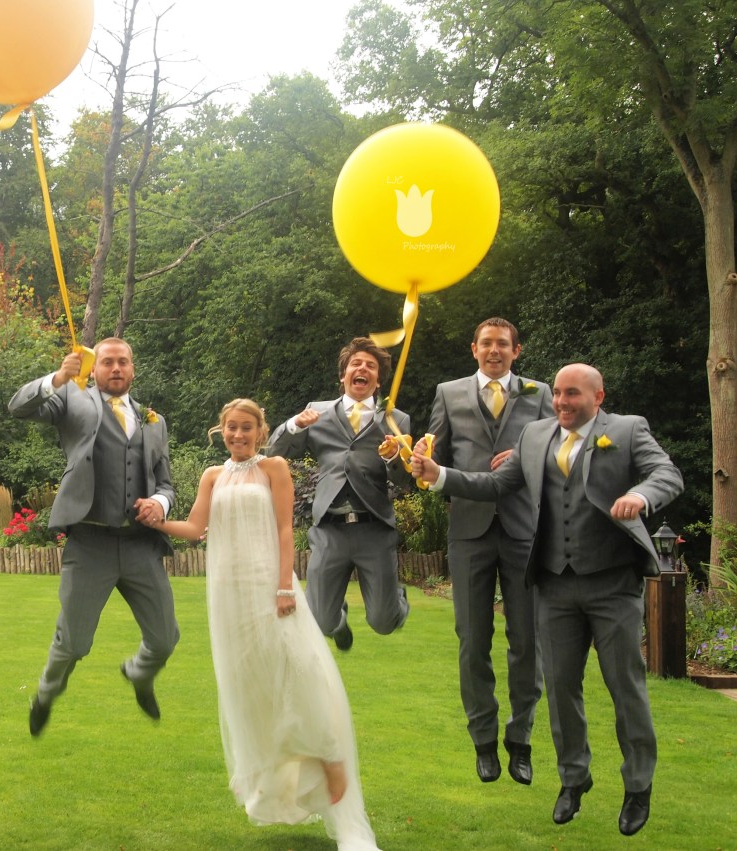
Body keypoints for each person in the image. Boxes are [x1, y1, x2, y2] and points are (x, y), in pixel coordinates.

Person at [412, 364, 683, 836]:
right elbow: (496, 485)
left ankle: (638, 785)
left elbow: (667, 473)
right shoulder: (536, 436)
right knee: (560, 688)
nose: (561, 401)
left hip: (612, 583)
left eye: (572, 393)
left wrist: (641, 497)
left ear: (598, 397)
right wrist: (440, 475)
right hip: (554, 584)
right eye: (557, 392)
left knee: (625, 687)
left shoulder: (626, 429)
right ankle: (574, 778)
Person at [151, 400, 379, 850]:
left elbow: (284, 530)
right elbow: (195, 528)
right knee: (251, 683)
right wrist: (156, 522)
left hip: (269, 584)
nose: (238, 435)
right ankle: (273, 771)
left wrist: (284, 586)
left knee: (297, 668)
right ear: (221, 430)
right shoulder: (212, 476)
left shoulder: (274, 467)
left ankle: (330, 756)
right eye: (231, 428)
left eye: (246, 428)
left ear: (260, 431)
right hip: (227, 592)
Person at [9, 337, 179, 736]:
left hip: (140, 544)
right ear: (96, 367)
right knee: (74, 643)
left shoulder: (154, 421)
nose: (116, 368)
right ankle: (47, 692)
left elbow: (167, 484)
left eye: (123, 362)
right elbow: (18, 407)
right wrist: (57, 378)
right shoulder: (72, 399)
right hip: (90, 542)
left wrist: (160, 503)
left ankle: (140, 673)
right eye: (107, 362)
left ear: (133, 368)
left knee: (165, 639)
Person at [426, 318, 553, 785]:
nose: (494, 350)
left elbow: (559, 449)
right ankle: (483, 740)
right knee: (472, 641)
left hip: (525, 529)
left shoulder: (539, 393)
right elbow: (432, 454)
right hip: (469, 531)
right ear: (473, 349)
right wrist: (411, 458)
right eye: (486, 343)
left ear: (516, 351)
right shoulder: (448, 393)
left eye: (502, 344)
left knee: (527, 642)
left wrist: (525, 456)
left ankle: (521, 740)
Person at [266, 336, 411, 652]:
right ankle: (338, 620)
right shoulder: (316, 412)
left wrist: (393, 457)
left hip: (374, 529)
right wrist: (293, 424)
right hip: (329, 529)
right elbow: (274, 452)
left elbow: (405, 479)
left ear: (378, 381)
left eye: (370, 366)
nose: (363, 369)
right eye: (356, 364)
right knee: (319, 621)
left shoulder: (395, 420)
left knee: (383, 622)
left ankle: (395, 598)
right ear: (343, 375)